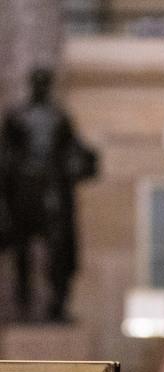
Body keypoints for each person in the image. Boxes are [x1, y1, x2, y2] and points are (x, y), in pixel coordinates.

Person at [0, 67, 98, 321]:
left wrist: (86, 161)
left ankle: (57, 305)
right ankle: (23, 306)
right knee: (22, 250)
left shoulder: (58, 117)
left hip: (52, 190)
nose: (42, 87)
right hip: (24, 190)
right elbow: (6, 153)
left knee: (57, 249)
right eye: (38, 83)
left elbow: (73, 147)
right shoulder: (16, 116)